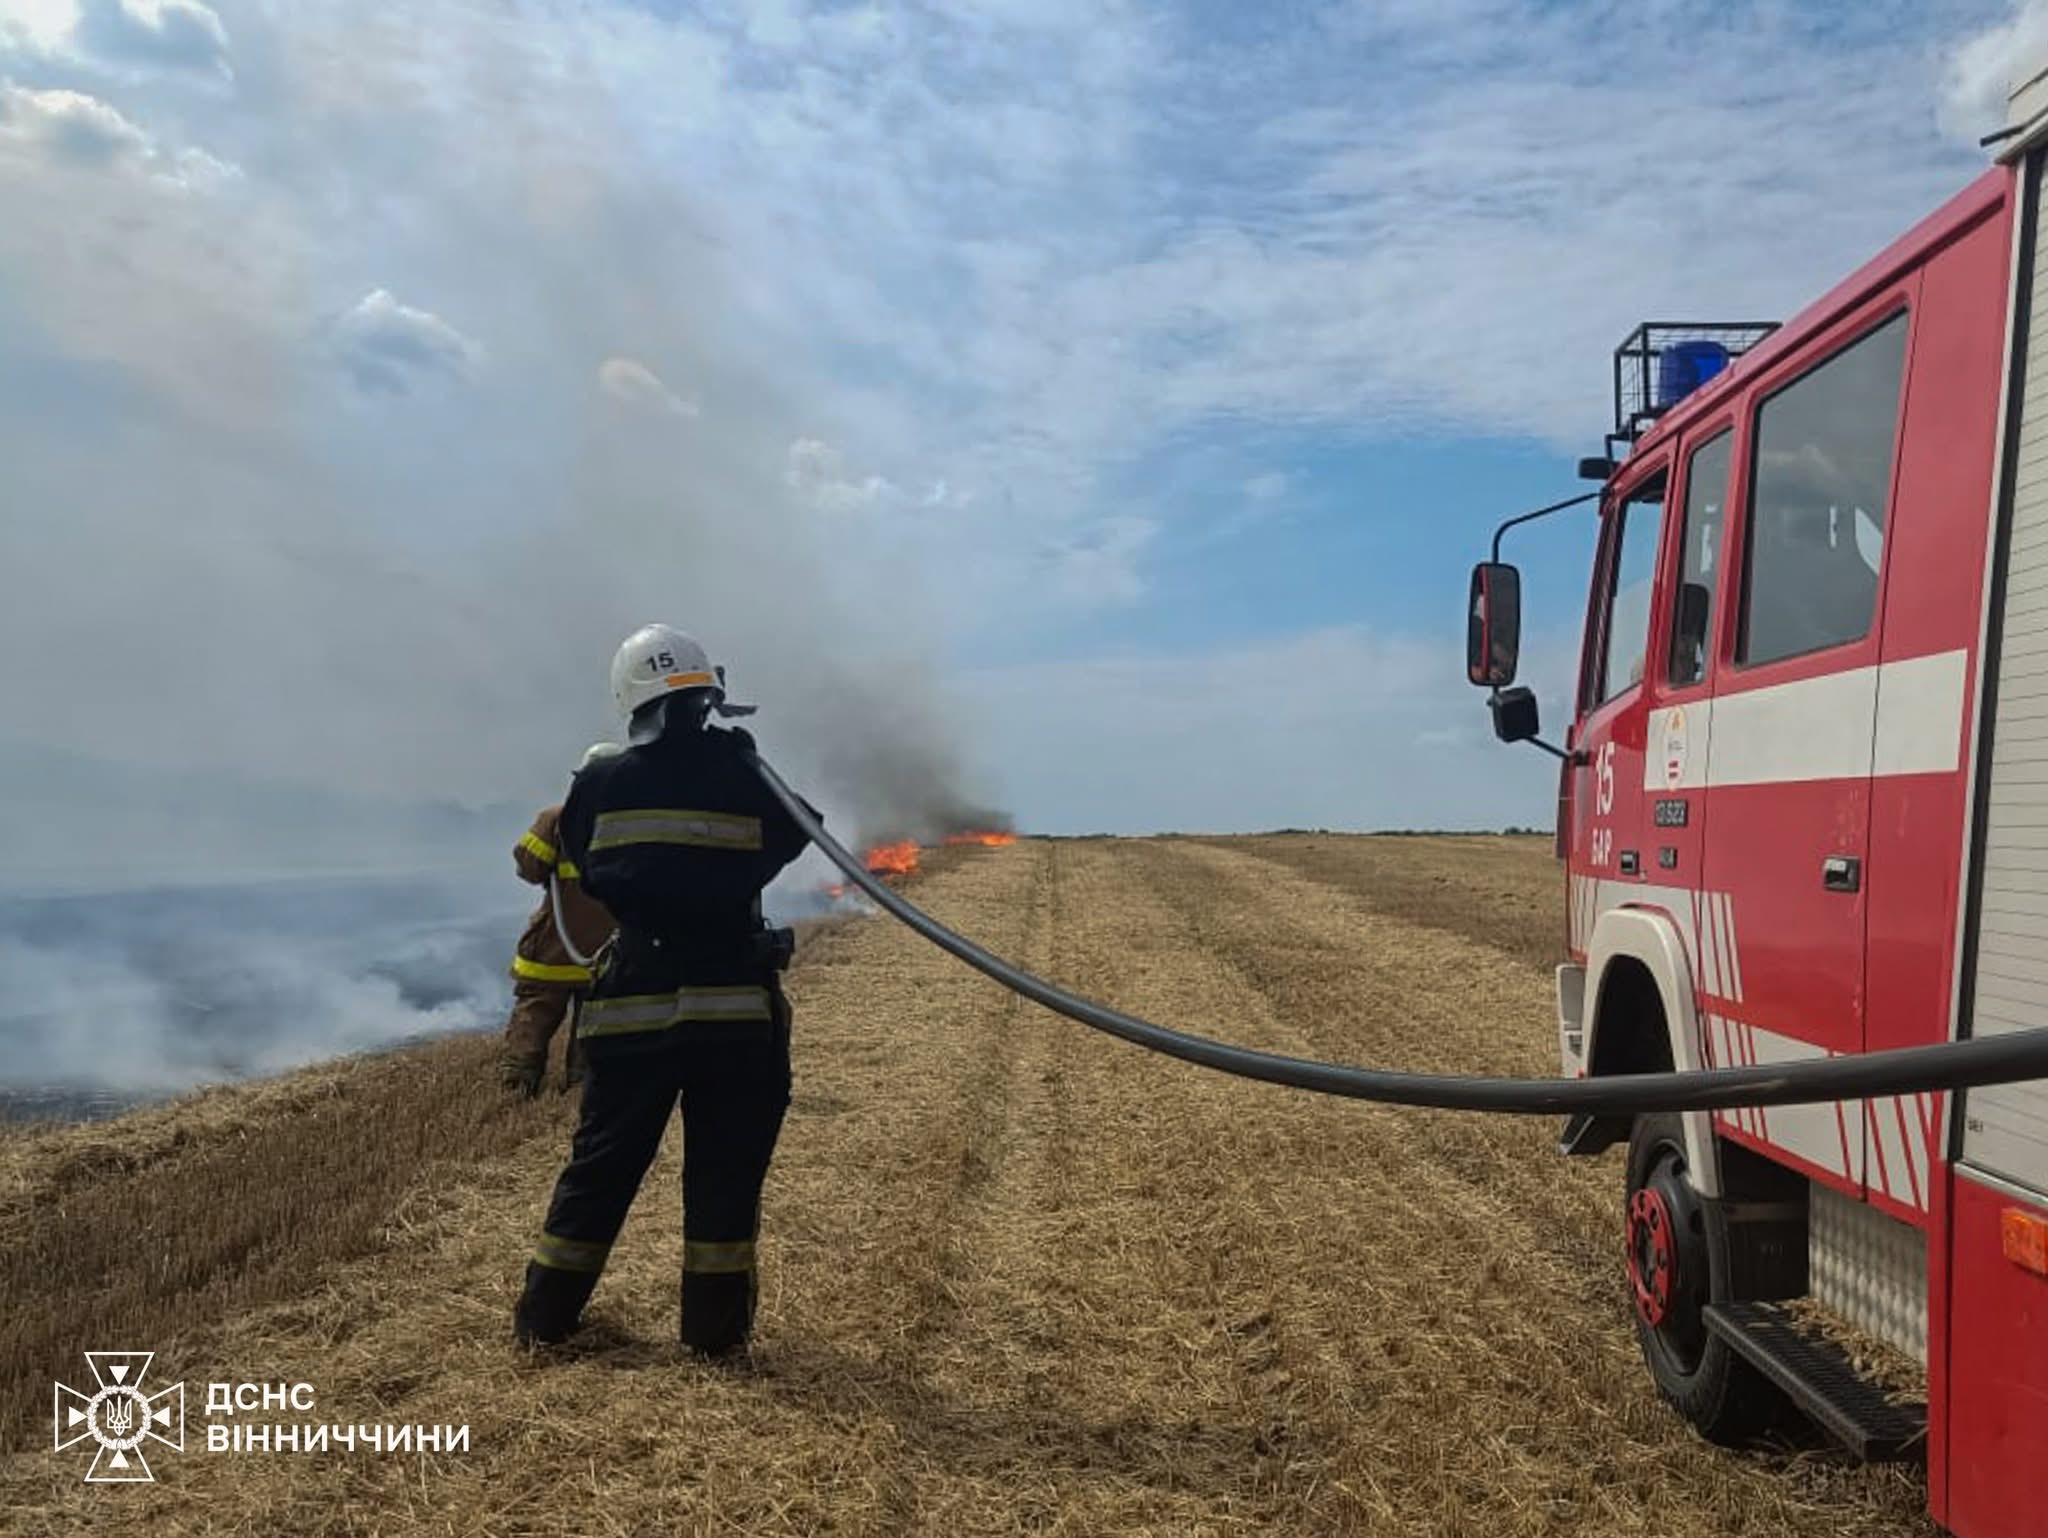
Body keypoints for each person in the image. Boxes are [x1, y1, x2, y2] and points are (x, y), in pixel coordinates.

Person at [513, 624, 817, 1356]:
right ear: (707, 694)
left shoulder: (597, 784)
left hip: (629, 1015)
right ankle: (713, 1341)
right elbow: (800, 830)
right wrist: (742, 761)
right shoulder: (746, 777)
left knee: (599, 1174)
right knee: (724, 1181)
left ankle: (544, 1323)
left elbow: (587, 860)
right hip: (736, 1017)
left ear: (630, 696)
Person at [500, 802, 615, 1097]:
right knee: (593, 1023)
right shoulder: (635, 819)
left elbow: (528, 867)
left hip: (555, 946)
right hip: (606, 949)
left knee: (535, 1015)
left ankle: (518, 1085)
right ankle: (580, 1089)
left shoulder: (557, 817)